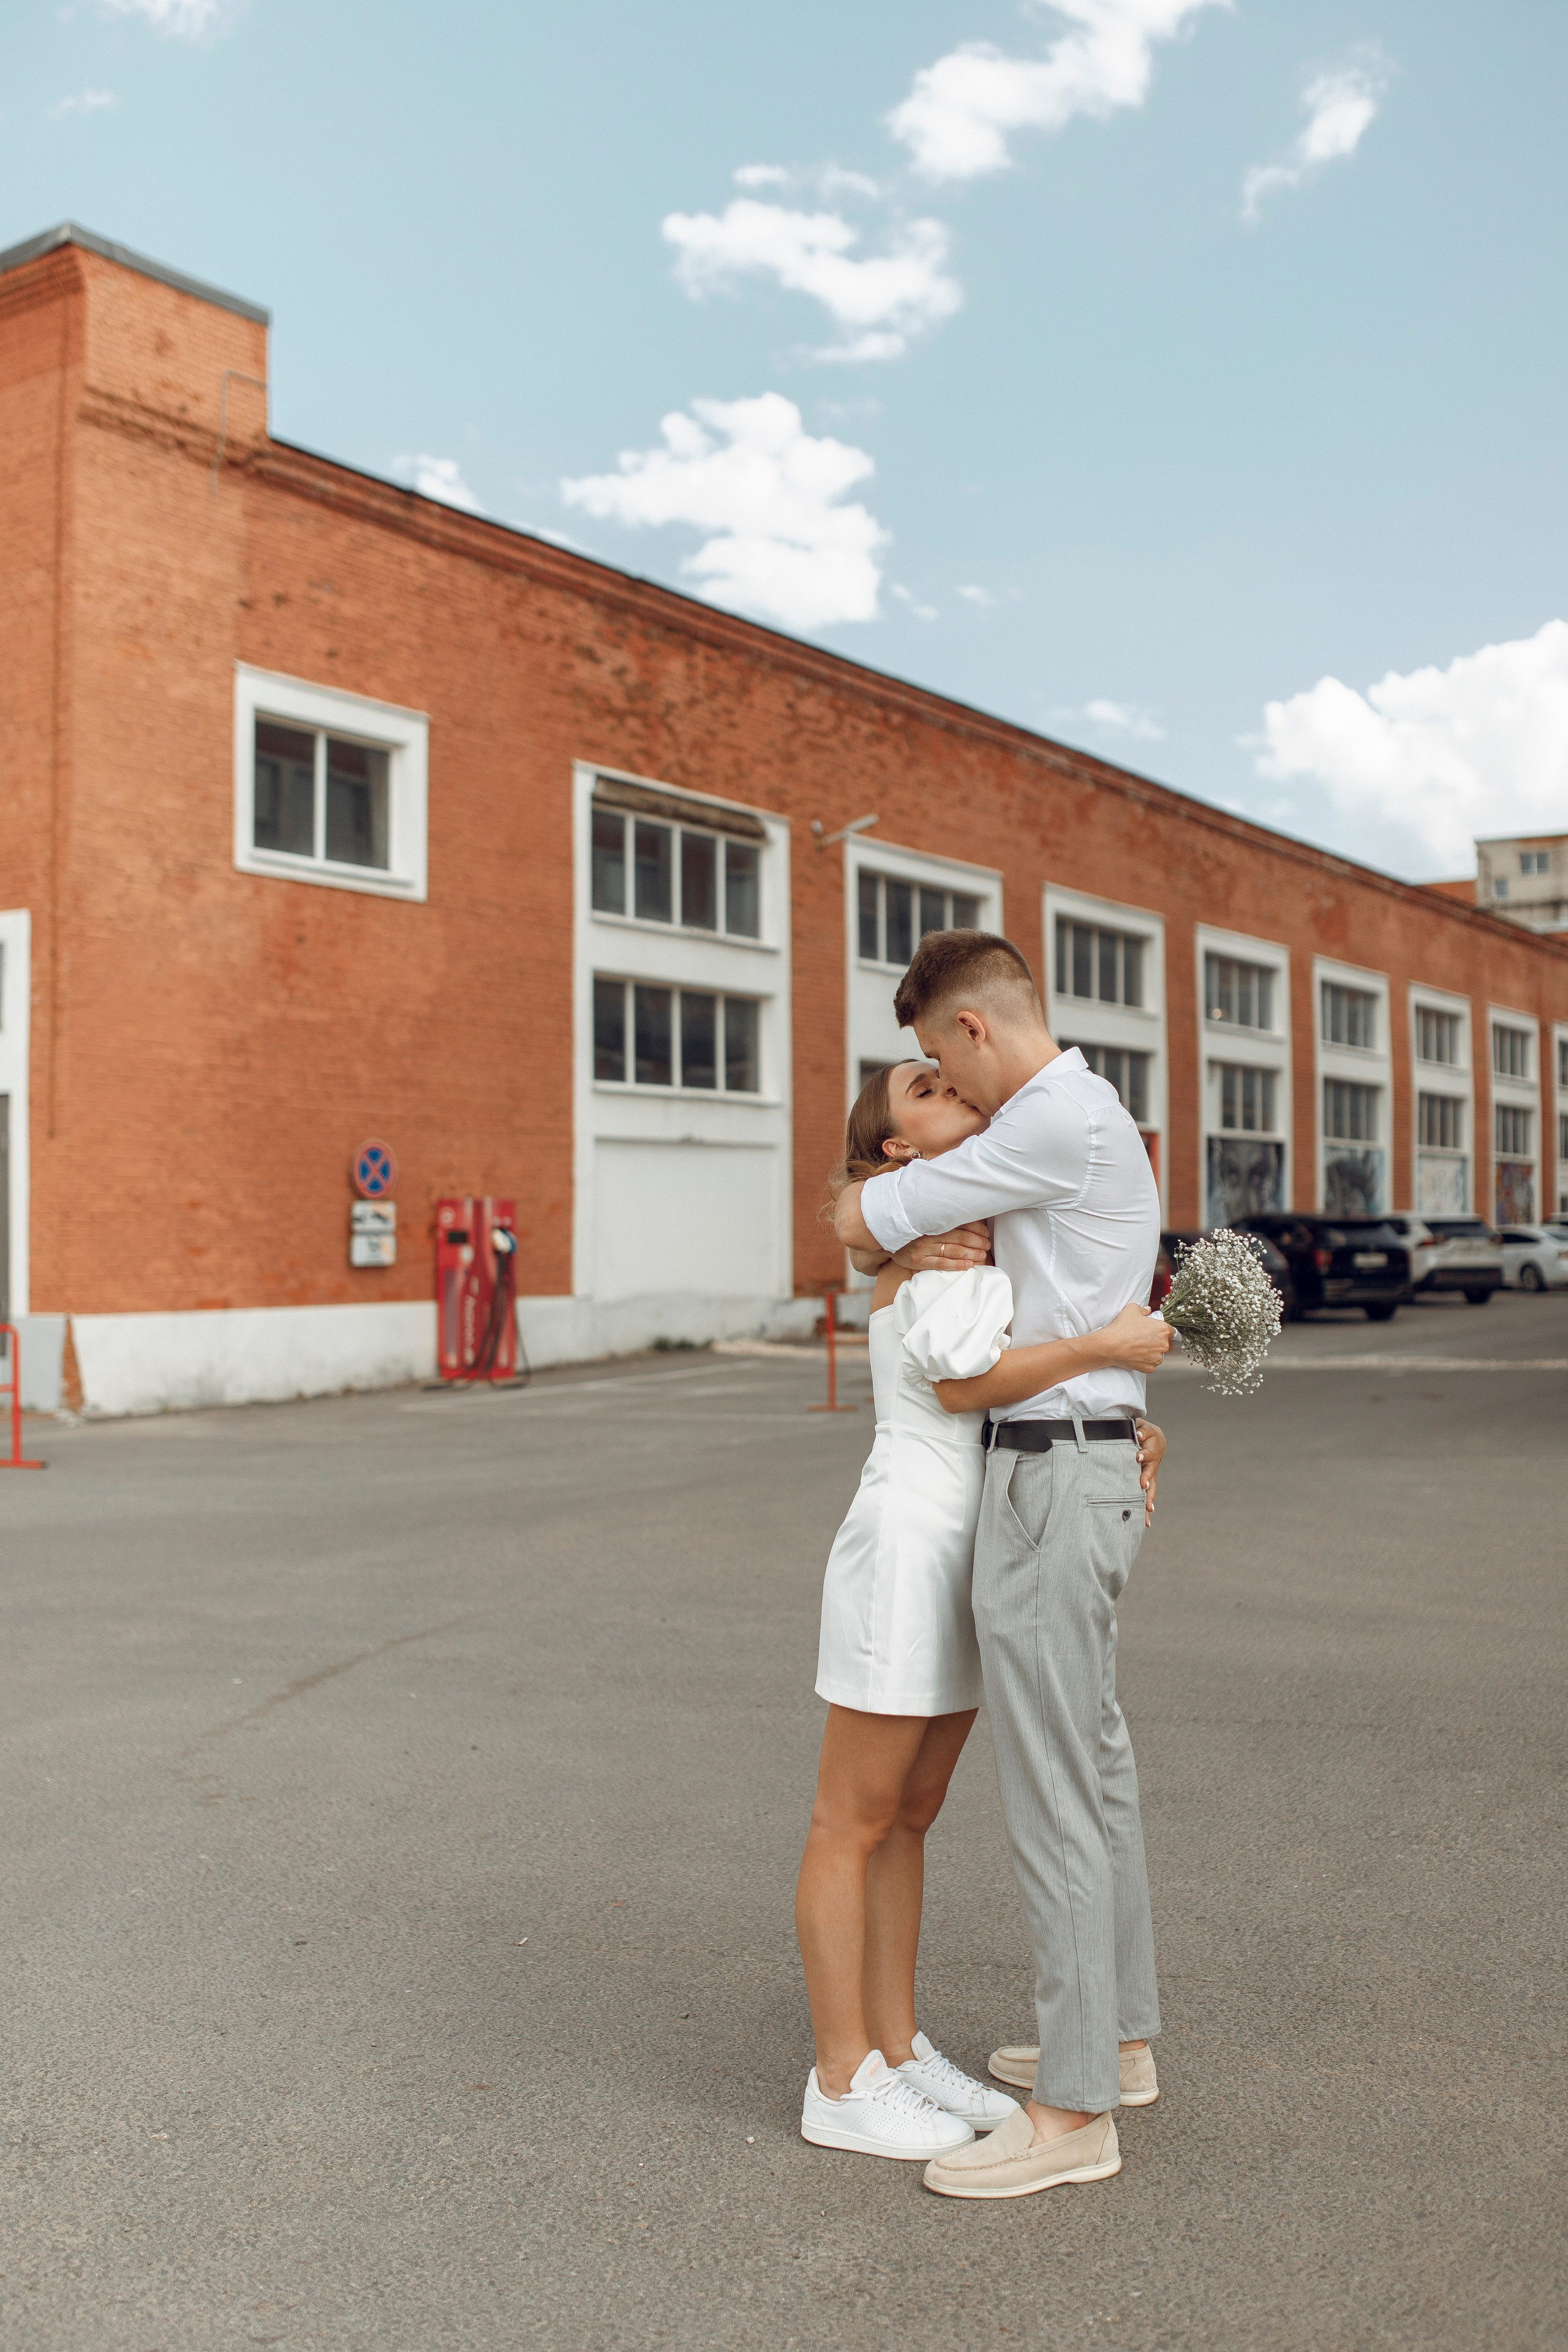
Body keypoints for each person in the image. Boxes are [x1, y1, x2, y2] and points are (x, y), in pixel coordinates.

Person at [835, 930, 1165, 2201]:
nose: (949, 1086)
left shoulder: (1043, 1120)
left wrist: (872, 1216)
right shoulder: (1079, 1116)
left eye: (937, 1059)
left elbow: (864, 1216)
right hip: (1075, 1457)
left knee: (1055, 1791)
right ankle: (1114, 2044)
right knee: (1093, 1767)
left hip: (1049, 1470)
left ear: (970, 1029)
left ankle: (1073, 2110)